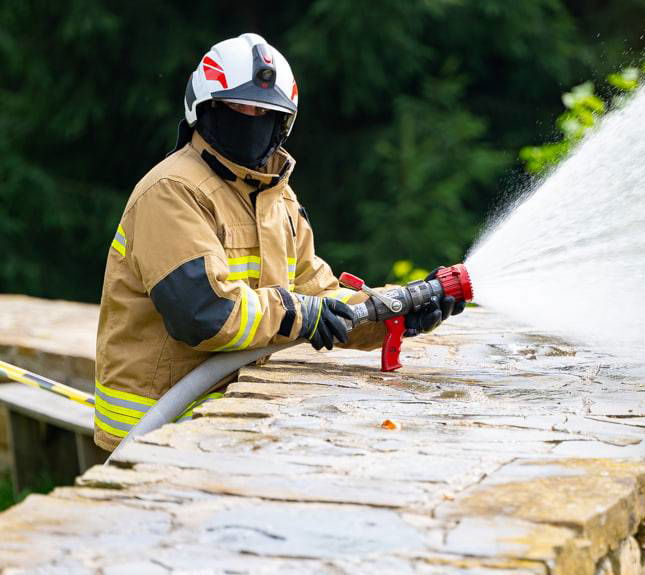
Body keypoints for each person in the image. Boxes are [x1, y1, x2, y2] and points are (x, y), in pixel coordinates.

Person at [94, 33, 462, 452]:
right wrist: (299, 314)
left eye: (265, 112)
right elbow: (203, 313)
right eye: (238, 107)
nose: (252, 119)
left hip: (230, 425)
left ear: (283, 123)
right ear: (205, 109)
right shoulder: (172, 191)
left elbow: (317, 294)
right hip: (155, 431)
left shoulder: (276, 198)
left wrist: (394, 314)